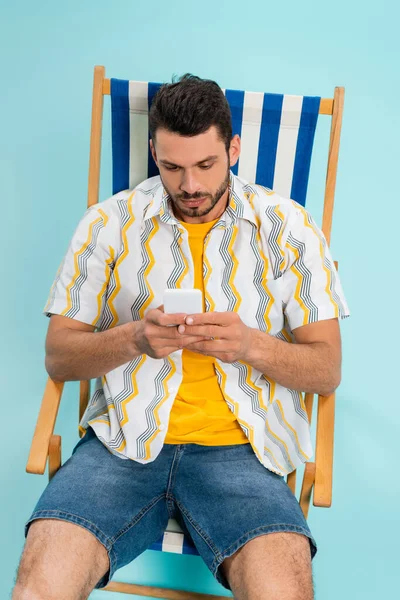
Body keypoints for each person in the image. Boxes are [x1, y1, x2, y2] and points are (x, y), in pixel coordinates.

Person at [13, 74, 349, 600]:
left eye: (206, 165)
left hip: (244, 454)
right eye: (172, 167)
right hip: (123, 446)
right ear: (153, 152)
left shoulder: (289, 227)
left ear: (233, 149)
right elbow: (59, 357)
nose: (190, 184)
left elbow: (327, 368)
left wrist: (250, 346)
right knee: (39, 589)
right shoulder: (107, 224)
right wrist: (133, 340)